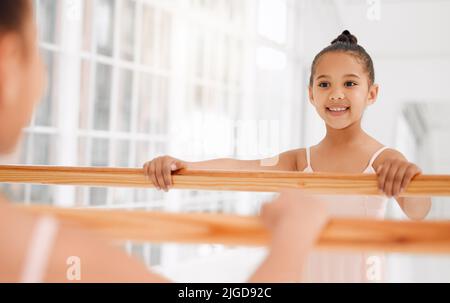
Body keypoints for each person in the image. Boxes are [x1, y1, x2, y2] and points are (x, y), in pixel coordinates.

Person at [0, 0, 328, 283]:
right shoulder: (43, 251)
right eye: (38, 52)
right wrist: (294, 236)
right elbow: (251, 166)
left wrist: (188, 166)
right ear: (10, 62)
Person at [143, 30, 432, 282]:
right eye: (324, 84)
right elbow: (243, 169)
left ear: (372, 93)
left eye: (350, 84)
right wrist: (184, 165)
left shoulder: (384, 158)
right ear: (311, 94)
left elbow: (419, 209)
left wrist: (407, 174)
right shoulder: (298, 162)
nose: (335, 94)